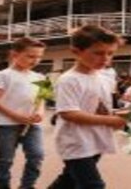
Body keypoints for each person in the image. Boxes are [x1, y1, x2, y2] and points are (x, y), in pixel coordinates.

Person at [47, 25, 126, 189]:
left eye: (110, 53)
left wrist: (121, 113)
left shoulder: (104, 77)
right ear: (76, 52)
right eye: (98, 53)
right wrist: (110, 120)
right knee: (93, 185)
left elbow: (100, 106)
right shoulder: (69, 80)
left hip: (95, 139)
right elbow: (69, 113)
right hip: (76, 142)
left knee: (68, 181)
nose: (105, 58)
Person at [0, 37, 46, 189]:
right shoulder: (3, 74)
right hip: (7, 124)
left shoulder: (41, 77)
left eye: (39, 56)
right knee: (5, 159)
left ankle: (27, 185)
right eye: (31, 56)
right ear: (14, 54)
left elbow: (42, 100)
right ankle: (2, 185)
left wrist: (39, 113)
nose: (35, 60)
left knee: (37, 155)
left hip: (32, 125)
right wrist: (16, 116)